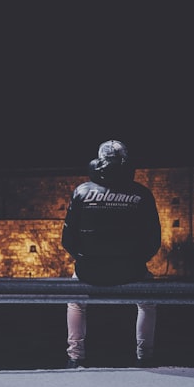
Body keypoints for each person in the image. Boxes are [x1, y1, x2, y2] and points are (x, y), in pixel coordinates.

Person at [61, 140, 162, 368]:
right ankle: (144, 357)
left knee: (75, 301)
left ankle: (75, 357)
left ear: (99, 161)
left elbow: (67, 239)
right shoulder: (141, 194)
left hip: (89, 271)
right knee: (147, 302)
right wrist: (135, 261)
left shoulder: (82, 191)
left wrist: (85, 258)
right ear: (126, 161)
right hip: (131, 271)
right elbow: (154, 239)